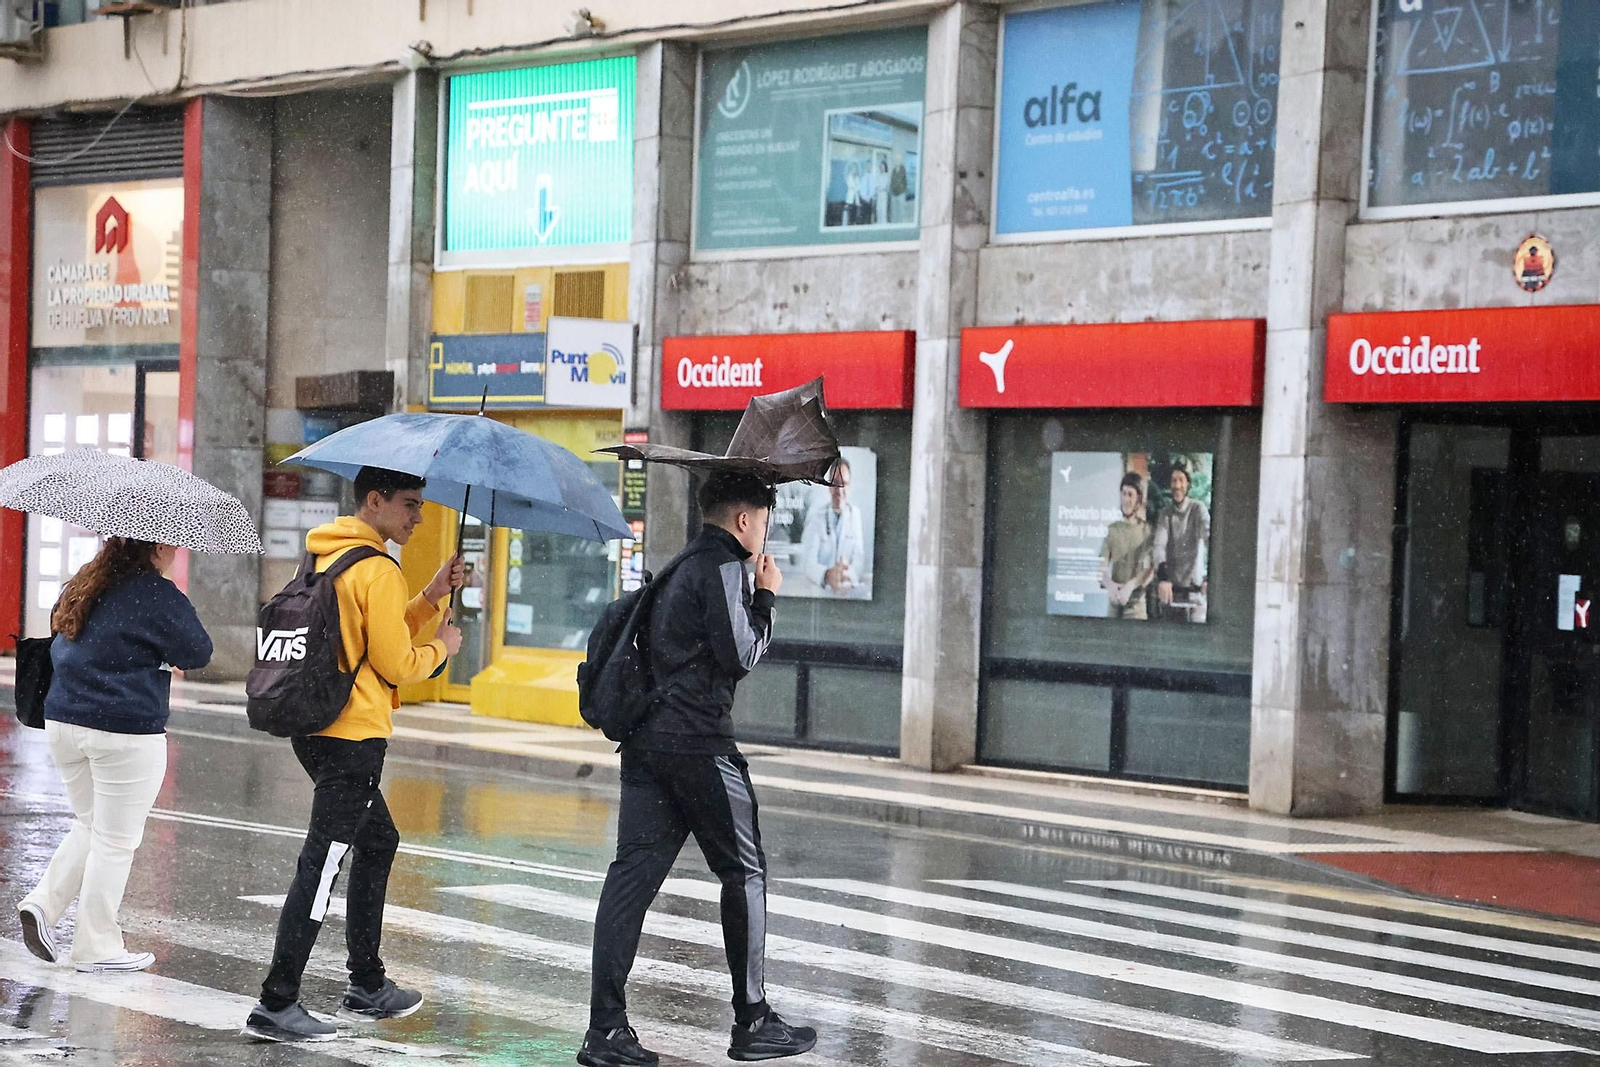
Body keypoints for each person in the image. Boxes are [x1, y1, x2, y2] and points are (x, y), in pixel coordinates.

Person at [581, 471, 817, 1067]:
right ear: (743, 520)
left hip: (648, 746)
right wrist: (766, 596)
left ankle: (605, 1030)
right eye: (764, 518)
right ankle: (753, 1019)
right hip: (698, 746)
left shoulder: (679, 566)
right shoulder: (720, 570)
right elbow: (741, 654)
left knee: (630, 879)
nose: (766, 530)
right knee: (746, 872)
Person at [243, 466, 463, 1043]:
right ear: (375, 500)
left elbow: (367, 634)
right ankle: (277, 1000)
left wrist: (431, 596)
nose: (418, 517)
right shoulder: (379, 568)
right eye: (410, 505)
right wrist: (441, 649)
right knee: (322, 863)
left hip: (314, 724)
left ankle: (367, 982)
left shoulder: (327, 556)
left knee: (378, 839)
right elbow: (395, 663)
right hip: (353, 736)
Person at [16, 537, 212, 973]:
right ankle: (96, 945)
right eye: (172, 544)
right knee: (116, 841)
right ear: (156, 547)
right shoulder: (157, 594)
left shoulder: (84, 582)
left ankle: (42, 904)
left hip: (64, 722)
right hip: (124, 731)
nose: (176, 551)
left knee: (91, 825)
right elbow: (198, 652)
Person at [1154, 461, 1210, 624]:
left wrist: (1209, 576)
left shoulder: (1197, 509)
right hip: (1172, 591)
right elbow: (1159, 546)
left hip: (1194, 589)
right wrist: (1163, 577)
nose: (1177, 485)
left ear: (1188, 484)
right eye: (1173, 481)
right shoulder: (1166, 514)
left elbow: (1209, 537)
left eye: (1181, 480)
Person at [800, 458, 865, 597]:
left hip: (847, 591)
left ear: (850, 486)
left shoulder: (855, 515)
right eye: (835, 484)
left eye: (844, 484)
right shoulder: (816, 516)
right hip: (821, 593)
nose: (840, 491)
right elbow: (807, 562)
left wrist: (848, 575)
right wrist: (828, 575)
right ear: (828, 486)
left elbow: (859, 559)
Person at [1099, 472, 1153, 620]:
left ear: (1138, 499)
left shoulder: (1146, 530)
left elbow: (1149, 570)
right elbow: (1100, 568)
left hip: (1136, 606)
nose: (1126, 499)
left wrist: (1130, 586)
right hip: (1114, 603)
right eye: (1123, 494)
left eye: (1130, 495)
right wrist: (1110, 586)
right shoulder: (1112, 530)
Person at [874, 158, 890, 225]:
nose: (881, 168)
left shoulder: (887, 175)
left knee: (883, 209)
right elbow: (876, 185)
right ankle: (878, 223)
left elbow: (886, 186)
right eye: (880, 167)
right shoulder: (878, 175)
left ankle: (883, 224)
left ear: (885, 167)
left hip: (884, 194)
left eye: (883, 166)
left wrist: (881, 188)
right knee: (878, 209)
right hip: (879, 194)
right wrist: (879, 188)